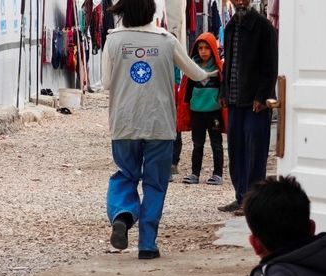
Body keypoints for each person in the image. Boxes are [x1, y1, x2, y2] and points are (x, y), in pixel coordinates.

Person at [102, 0, 217, 259]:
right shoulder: (167, 40)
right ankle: (147, 245)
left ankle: (122, 214)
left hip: (124, 124)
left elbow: (107, 83)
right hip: (160, 125)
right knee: (155, 184)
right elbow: (195, 72)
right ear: (152, 11)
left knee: (126, 174)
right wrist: (209, 75)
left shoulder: (113, 41)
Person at [217, 0, 278, 215]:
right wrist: (223, 92)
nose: (239, 1)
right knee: (236, 149)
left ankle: (253, 200)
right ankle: (240, 196)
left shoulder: (263, 27)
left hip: (255, 102)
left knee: (255, 150)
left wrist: (262, 96)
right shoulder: (230, 26)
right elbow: (227, 65)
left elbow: (270, 65)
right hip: (235, 100)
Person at [177, 33, 225, 185]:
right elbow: (186, 91)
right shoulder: (192, 69)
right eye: (200, 48)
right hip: (197, 111)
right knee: (197, 144)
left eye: (207, 48)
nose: (203, 51)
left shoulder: (219, 70)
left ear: (213, 50)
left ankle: (218, 174)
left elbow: (224, 89)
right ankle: (194, 173)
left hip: (214, 112)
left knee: (216, 144)